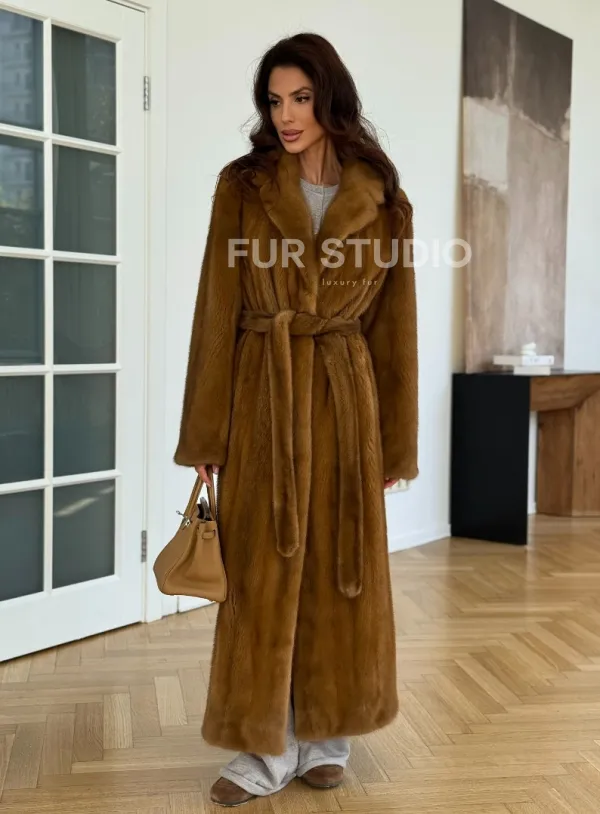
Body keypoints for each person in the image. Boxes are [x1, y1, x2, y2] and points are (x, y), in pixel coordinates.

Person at [173, 31, 419, 808]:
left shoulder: (382, 194)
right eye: (275, 100)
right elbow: (216, 310)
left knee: (341, 570)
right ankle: (263, 745)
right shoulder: (243, 187)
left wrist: (396, 443)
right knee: (261, 574)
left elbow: (396, 326)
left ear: (329, 98)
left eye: (301, 98)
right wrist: (206, 432)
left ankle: (326, 736)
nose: (286, 115)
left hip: (346, 400)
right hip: (263, 398)